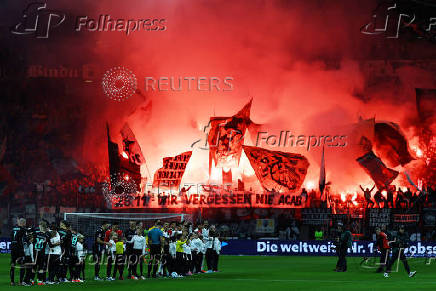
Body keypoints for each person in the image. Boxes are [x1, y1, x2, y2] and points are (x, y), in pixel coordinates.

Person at [10, 218, 27, 286]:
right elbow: (25, 239)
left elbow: (11, 237)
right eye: (25, 223)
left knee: (13, 265)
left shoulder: (13, 229)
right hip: (19, 248)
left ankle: (12, 282)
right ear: (23, 223)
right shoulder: (23, 229)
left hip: (13, 248)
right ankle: (20, 282)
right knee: (22, 265)